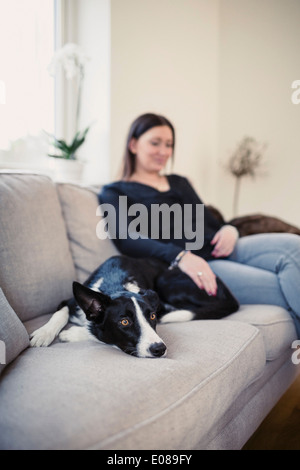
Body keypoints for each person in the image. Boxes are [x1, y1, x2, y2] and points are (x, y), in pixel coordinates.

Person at [100, 113, 300, 337]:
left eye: (169, 145)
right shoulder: (115, 192)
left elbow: (209, 220)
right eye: (155, 143)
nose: (164, 151)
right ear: (134, 144)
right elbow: (126, 239)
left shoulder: (179, 182)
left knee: (296, 246)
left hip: (226, 246)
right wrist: (181, 256)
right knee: (282, 285)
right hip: (201, 264)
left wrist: (229, 229)